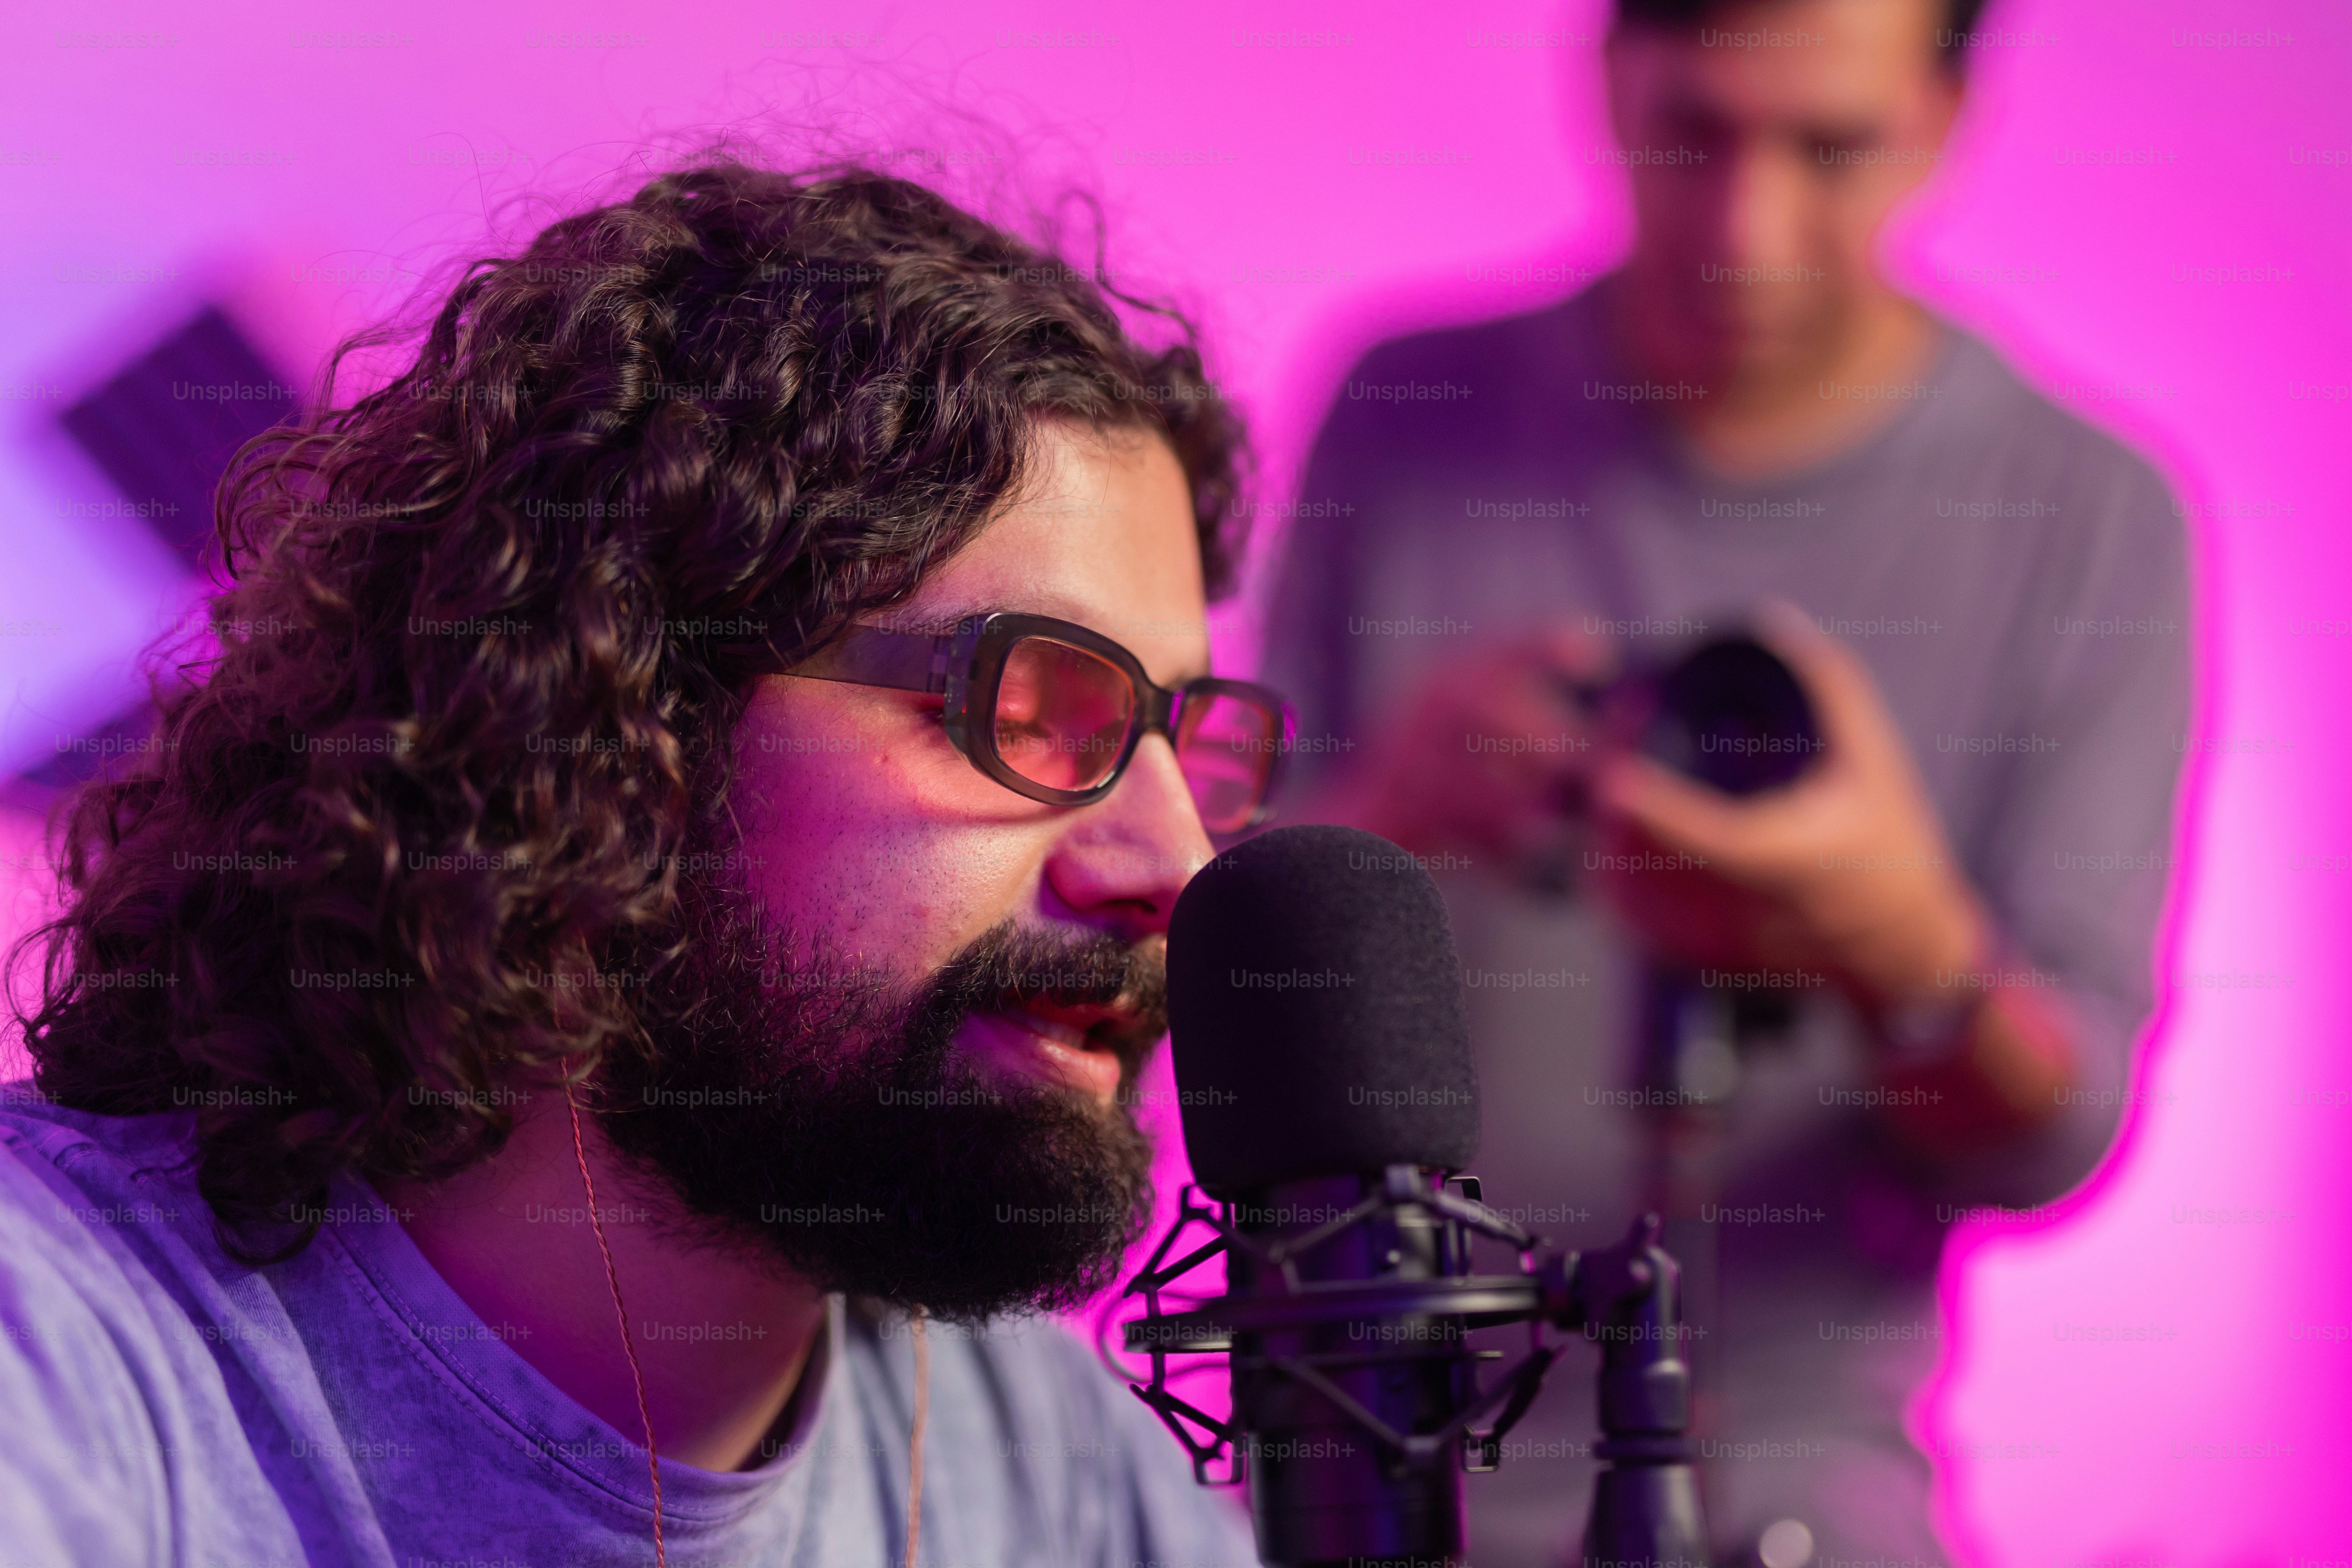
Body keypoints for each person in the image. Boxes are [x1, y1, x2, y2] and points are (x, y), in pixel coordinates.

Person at [0, 161, 1277, 1568]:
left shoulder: (1044, 1460)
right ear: (630, 708)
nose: (1176, 860)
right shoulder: (65, 1348)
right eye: (1032, 707)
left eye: (1183, 742)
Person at [1259, 0, 2189, 1562]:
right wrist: (1397, 809)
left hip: (1798, 1476)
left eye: (1830, 148)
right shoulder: (1399, 410)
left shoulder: (2092, 516)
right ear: (1608, 80)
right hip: (1358, 1436)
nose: (1743, 229)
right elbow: (1191, 986)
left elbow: (2055, 1141)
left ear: (1946, 118)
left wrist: (1897, 942)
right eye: (1692, 131)